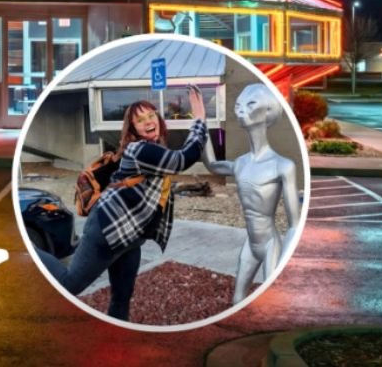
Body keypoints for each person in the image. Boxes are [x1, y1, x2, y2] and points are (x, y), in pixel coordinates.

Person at [33, 86, 208, 321]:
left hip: (130, 238)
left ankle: (118, 340)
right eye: (140, 120)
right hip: (107, 231)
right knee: (69, 284)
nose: (147, 121)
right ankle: (28, 254)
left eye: (151, 115)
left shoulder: (155, 148)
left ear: (158, 118)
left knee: (121, 297)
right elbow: (182, 160)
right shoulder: (140, 150)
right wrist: (199, 120)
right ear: (133, 128)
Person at [201, 83, 300, 304]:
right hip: (251, 244)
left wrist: (285, 259)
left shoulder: (282, 166)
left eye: (251, 103)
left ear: (268, 111)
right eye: (238, 105)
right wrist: (201, 126)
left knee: (272, 302)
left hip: (270, 245)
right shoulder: (240, 164)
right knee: (238, 299)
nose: (241, 110)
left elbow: (294, 224)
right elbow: (213, 165)